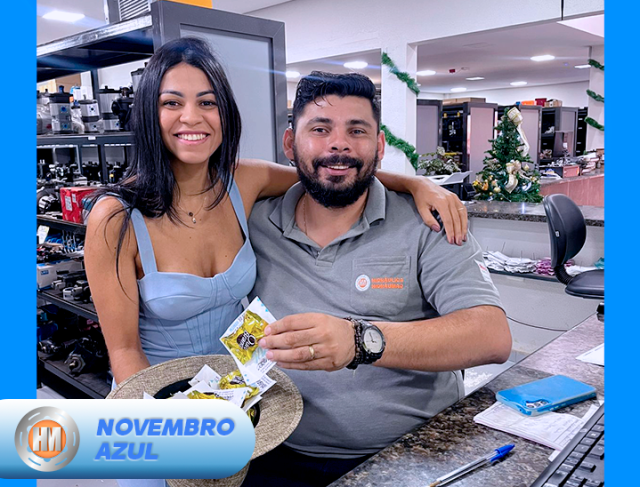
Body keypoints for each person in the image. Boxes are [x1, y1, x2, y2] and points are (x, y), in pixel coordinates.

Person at [83, 38, 467, 487]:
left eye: (207, 102)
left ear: (225, 113)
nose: (192, 117)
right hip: (156, 406)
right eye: (172, 102)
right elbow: (125, 352)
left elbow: (329, 168)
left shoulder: (243, 182)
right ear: (150, 113)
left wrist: (417, 184)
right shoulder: (116, 217)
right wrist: (174, 433)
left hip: (236, 401)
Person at [242, 71, 512, 487]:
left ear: (380, 146)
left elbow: (491, 336)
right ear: (290, 144)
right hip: (275, 451)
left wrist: (360, 341)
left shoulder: (427, 223)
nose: (339, 144)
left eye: (357, 130)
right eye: (320, 129)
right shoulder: (254, 220)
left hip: (407, 455)